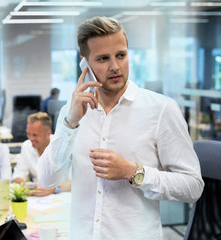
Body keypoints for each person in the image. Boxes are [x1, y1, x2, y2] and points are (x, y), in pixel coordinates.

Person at [37, 16, 204, 239]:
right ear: (85, 63)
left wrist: (132, 172)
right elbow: (47, 180)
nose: (115, 67)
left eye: (121, 55)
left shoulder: (162, 109)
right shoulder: (73, 110)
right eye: (103, 58)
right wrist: (70, 123)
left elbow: (193, 187)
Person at [12, 112, 71, 196]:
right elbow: (18, 174)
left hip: (61, 195)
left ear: (48, 133)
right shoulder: (26, 146)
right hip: (38, 197)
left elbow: (74, 181)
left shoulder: (62, 146)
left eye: (35, 135)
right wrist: (24, 185)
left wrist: (54, 189)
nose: (31, 138)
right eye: (28, 134)